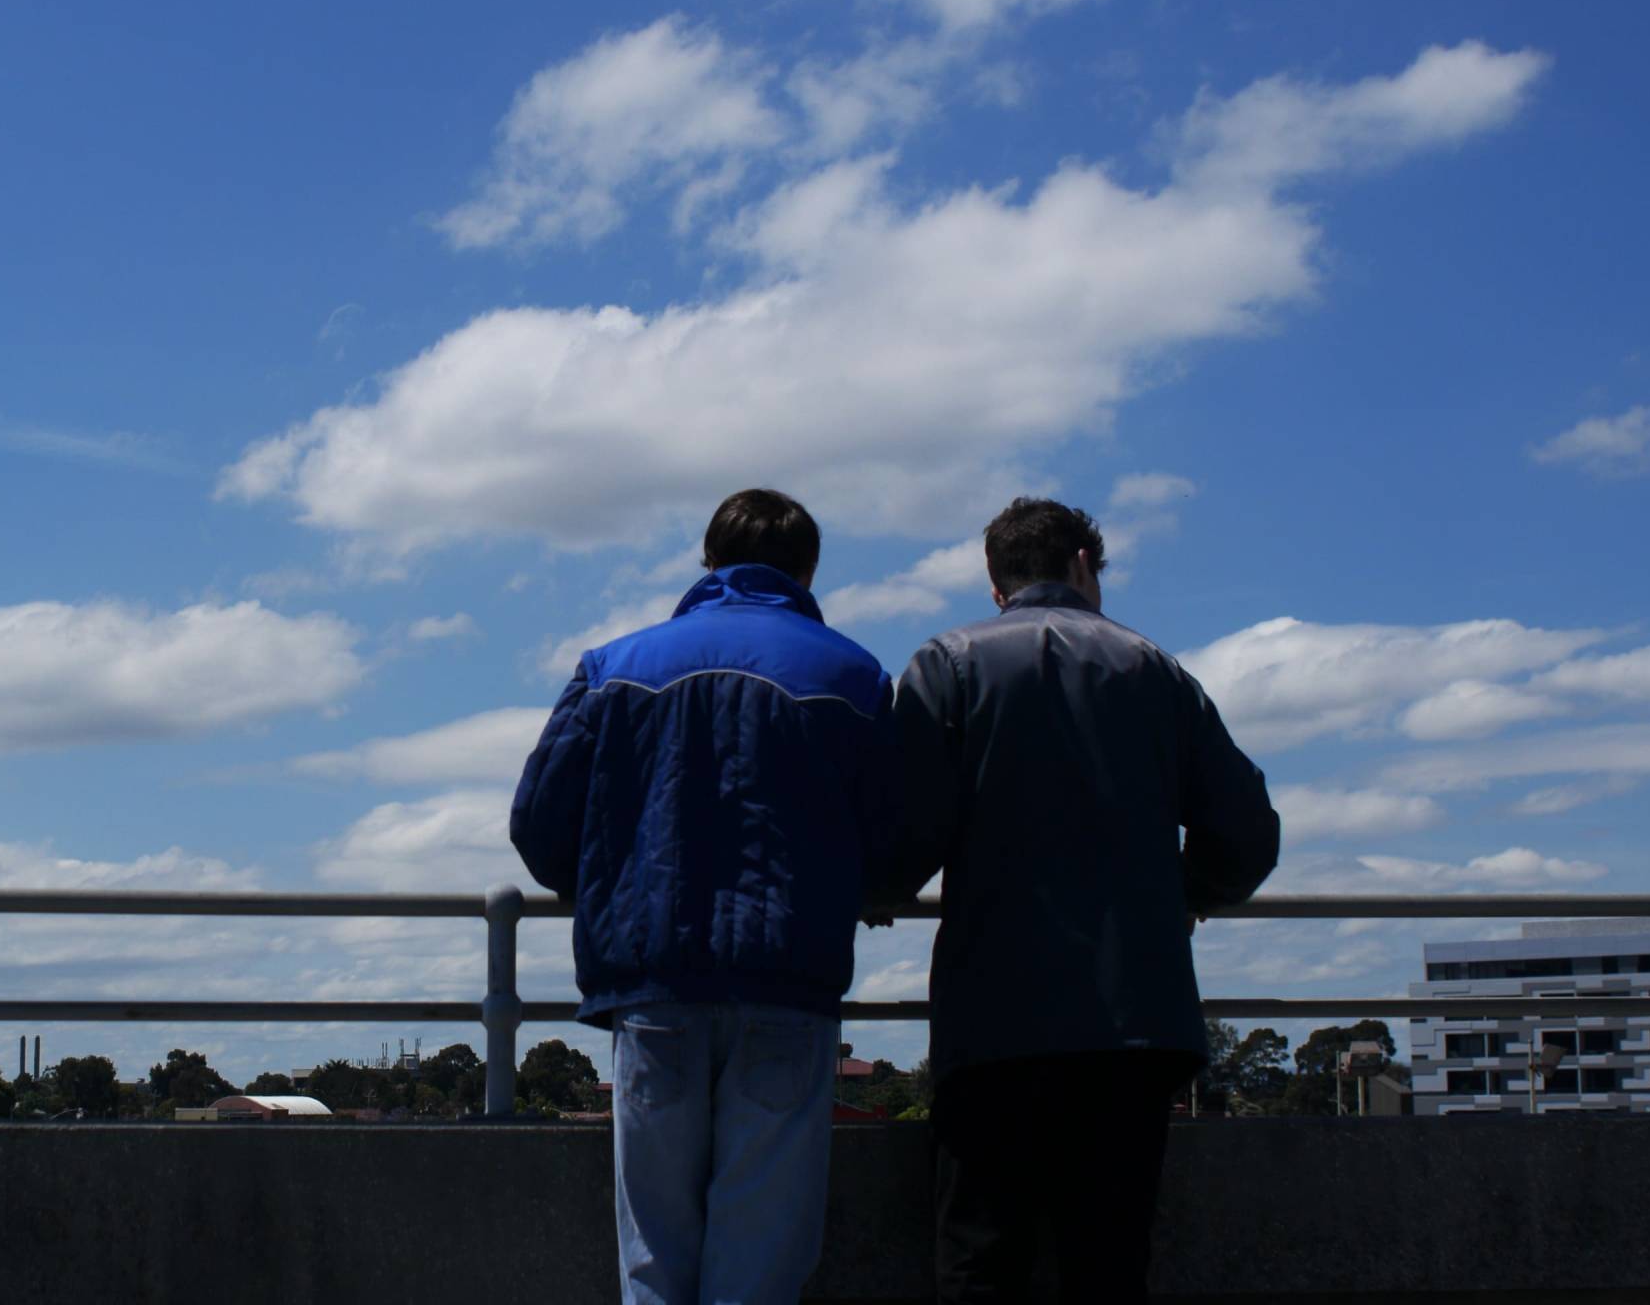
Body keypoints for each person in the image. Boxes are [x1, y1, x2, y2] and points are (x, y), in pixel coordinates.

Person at [870, 497, 1279, 1303]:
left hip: (994, 1020)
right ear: (1085, 565)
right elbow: (1247, 833)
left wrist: (876, 888)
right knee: (1108, 1263)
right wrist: (1186, 893)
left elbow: (905, 834)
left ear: (996, 586)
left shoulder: (946, 664)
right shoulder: (1154, 667)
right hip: (1135, 1023)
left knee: (982, 1260)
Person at [512, 488, 898, 1305]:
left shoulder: (615, 666)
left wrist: (608, 889)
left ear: (708, 562)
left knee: (654, 1254)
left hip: (654, 983)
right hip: (789, 981)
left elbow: (540, 825)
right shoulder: (854, 675)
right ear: (808, 570)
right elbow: (898, 835)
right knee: (759, 1263)